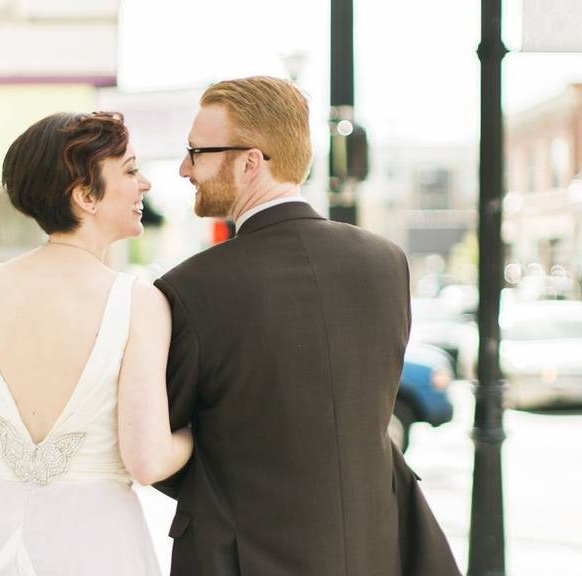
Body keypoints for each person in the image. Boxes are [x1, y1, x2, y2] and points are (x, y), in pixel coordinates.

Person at [153, 76, 461, 576]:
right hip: (375, 546)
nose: (184, 168)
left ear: (251, 161)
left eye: (197, 151)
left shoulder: (191, 288)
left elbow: (165, 440)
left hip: (242, 554)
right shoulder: (387, 263)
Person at [0, 111, 192, 575]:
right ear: (84, 195)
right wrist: (201, 438)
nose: (145, 185)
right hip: (93, 540)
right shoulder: (137, 301)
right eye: (131, 170)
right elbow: (147, 458)